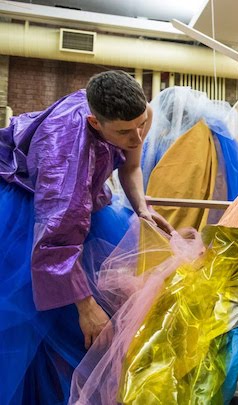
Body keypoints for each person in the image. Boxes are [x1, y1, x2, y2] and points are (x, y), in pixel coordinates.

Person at [0, 70, 172, 404]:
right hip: (31, 204)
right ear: (95, 123)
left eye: (140, 125)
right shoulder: (66, 146)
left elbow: (131, 167)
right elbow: (56, 233)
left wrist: (142, 207)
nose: (137, 136)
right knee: (43, 324)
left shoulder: (139, 114)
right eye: (124, 132)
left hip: (76, 207)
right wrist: (86, 306)